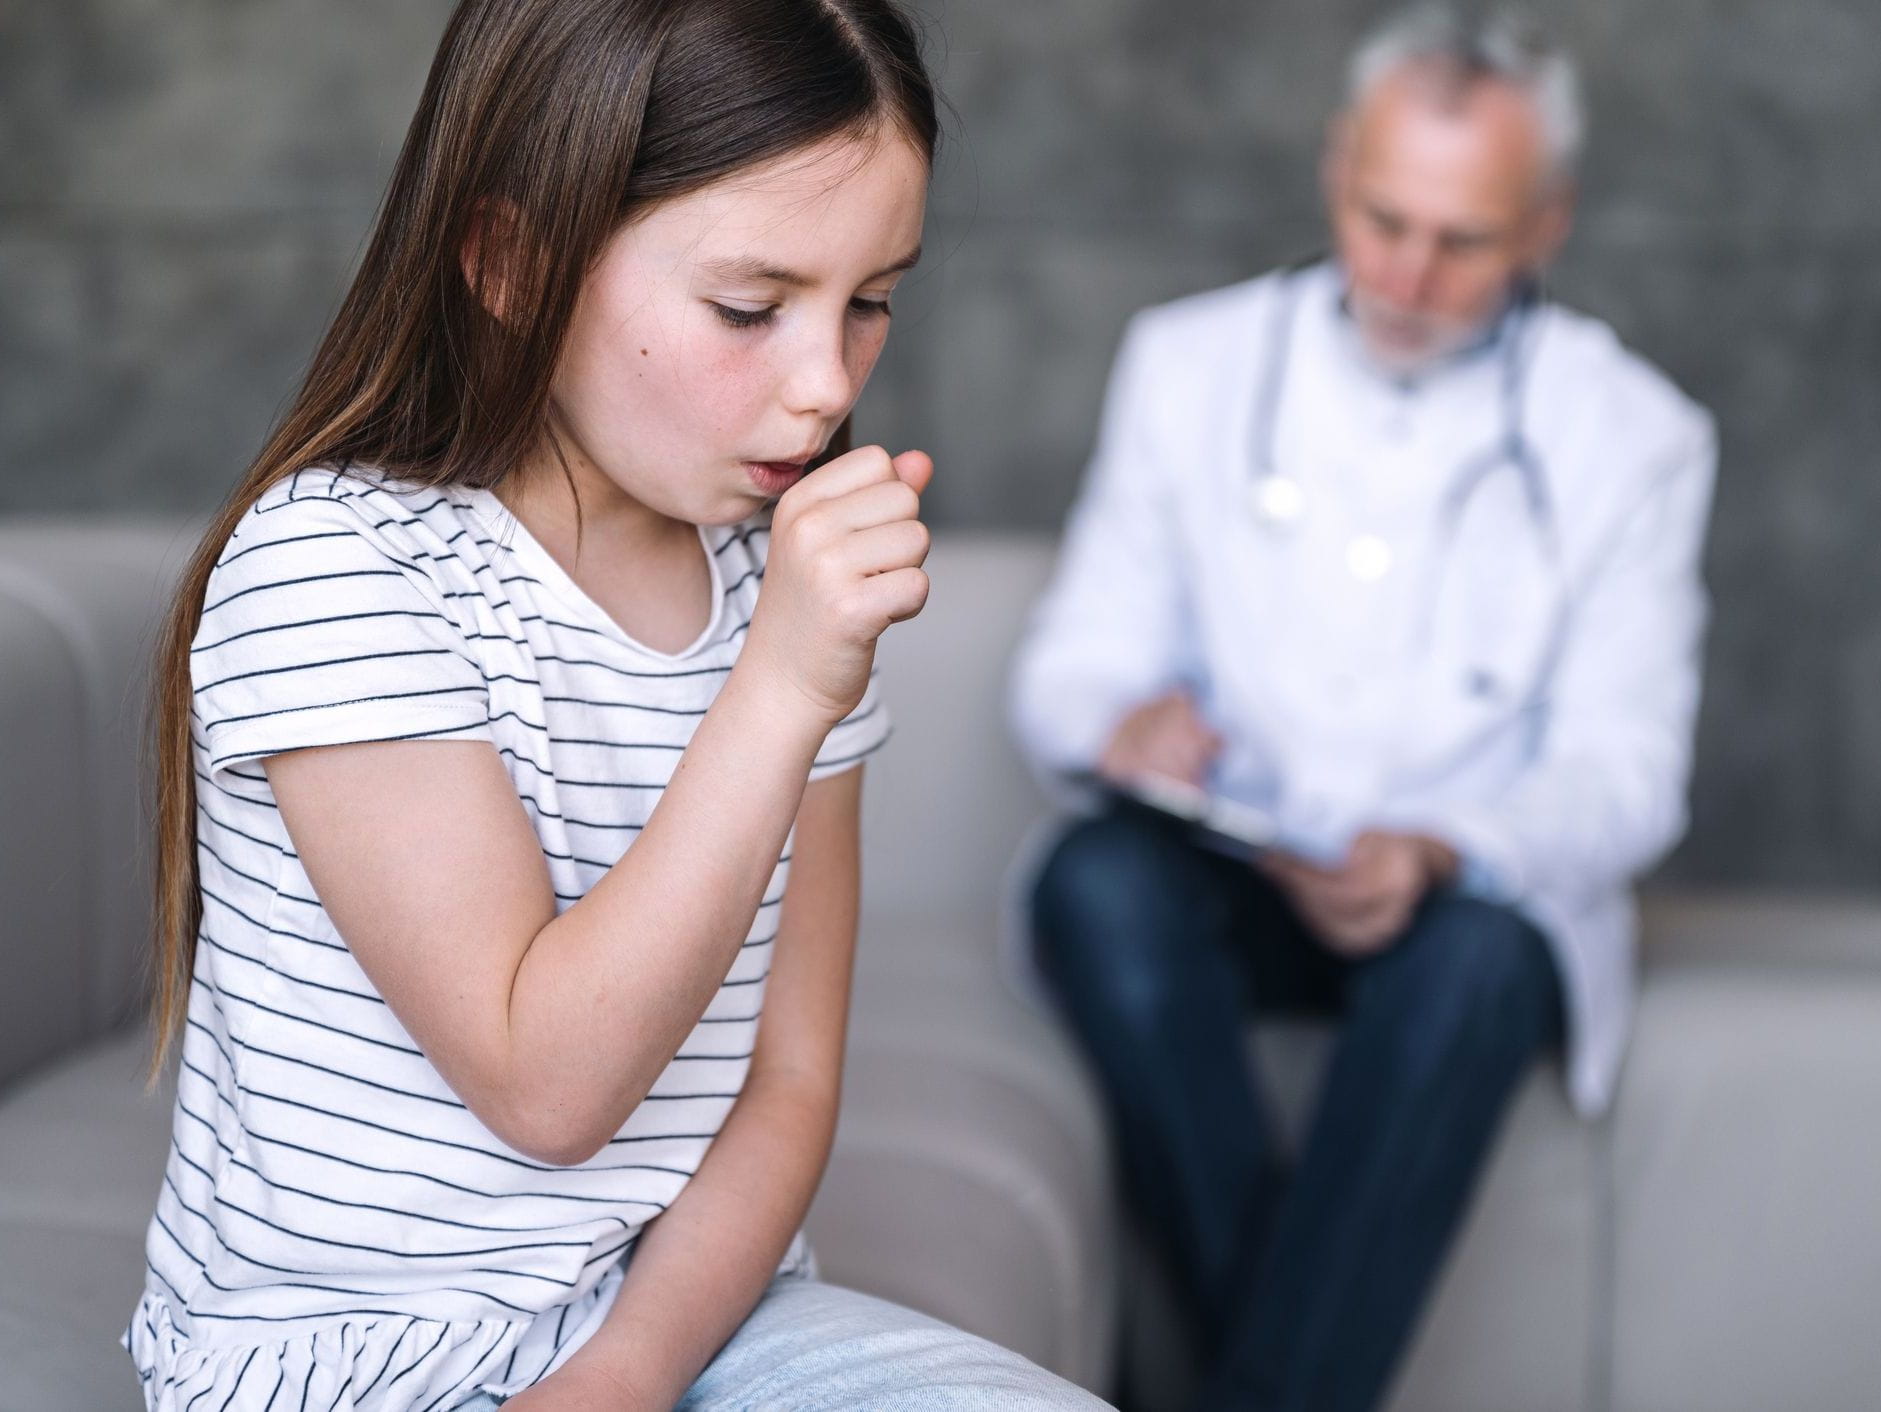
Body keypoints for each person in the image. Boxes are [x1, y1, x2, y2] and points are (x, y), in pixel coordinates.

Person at [126, 2, 1110, 1408]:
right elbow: (546, 1087)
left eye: (871, 299)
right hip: (350, 1368)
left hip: (685, 1330)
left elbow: (787, 1079)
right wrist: (782, 684)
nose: (825, 383)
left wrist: (632, 1370)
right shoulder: (335, 565)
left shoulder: (776, 587)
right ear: (512, 264)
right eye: (750, 309)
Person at [1010, 6, 1716, 1410]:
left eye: (1459, 241)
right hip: (1240, 876)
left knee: (1475, 961)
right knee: (1089, 881)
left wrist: (1438, 846)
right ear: (1336, 168)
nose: (1403, 272)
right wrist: (1121, 725)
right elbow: (1063, 668)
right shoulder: (1188, 364)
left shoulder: (1633, 434)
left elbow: (1628, 775)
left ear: (1544, 226)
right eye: (1381, 216)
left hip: (1455, 907)